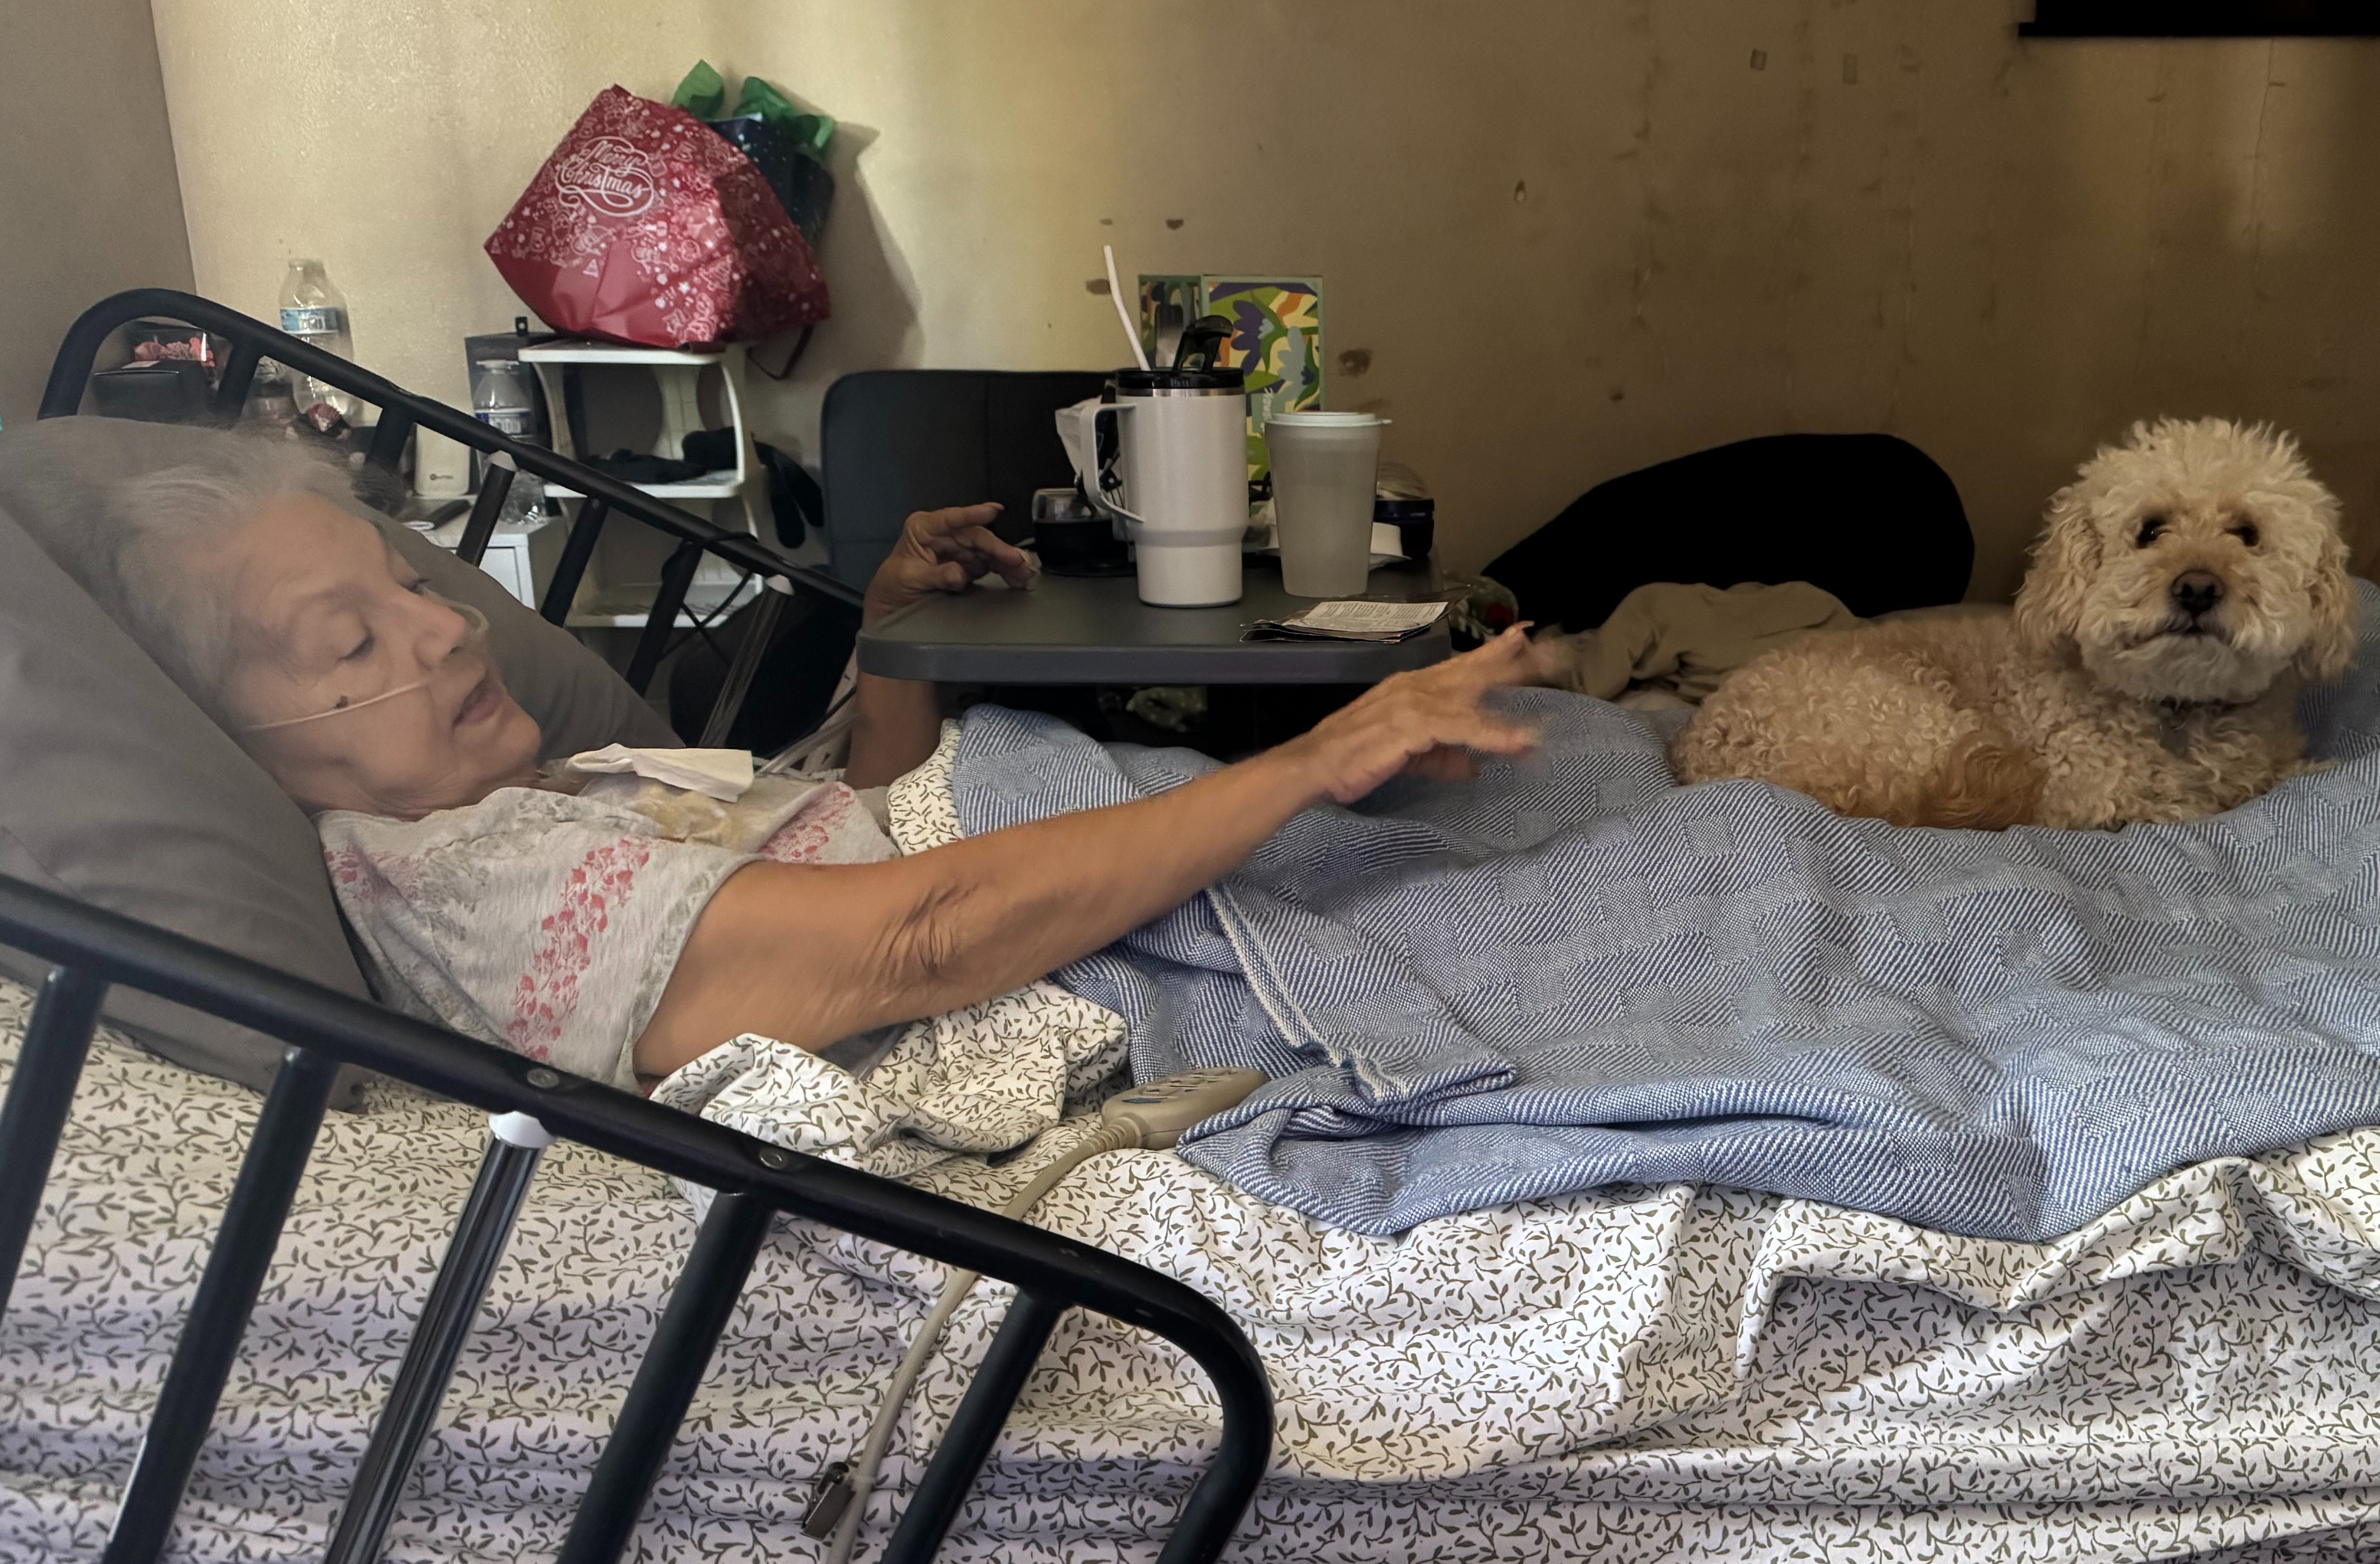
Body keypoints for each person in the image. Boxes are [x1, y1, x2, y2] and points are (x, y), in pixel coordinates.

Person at [48, 439, 1542, 1088]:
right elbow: (918, 934)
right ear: (241, 741)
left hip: (1044, 868)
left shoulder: (544, 791)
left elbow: (862, 822)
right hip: (1060, 954)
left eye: (409, 586)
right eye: (351, 641)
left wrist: (891, 633)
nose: (442, 632)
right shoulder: (464, 885)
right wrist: (1308, 762)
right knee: (1590, 862)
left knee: (1559, 768)